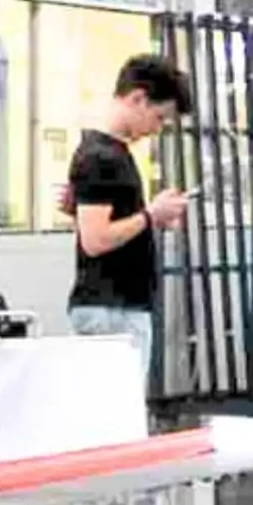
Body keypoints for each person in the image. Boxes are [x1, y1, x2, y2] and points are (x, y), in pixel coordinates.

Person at [64, 48, 193, 344]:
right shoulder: (101, 157)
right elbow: (95, 241)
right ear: (137, 98)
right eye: (158, 118)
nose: (156, 130)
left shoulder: (109, 154)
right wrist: (151, 215)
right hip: (112, 312)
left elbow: (97, 229)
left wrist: (151, 220)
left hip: (116, 308)